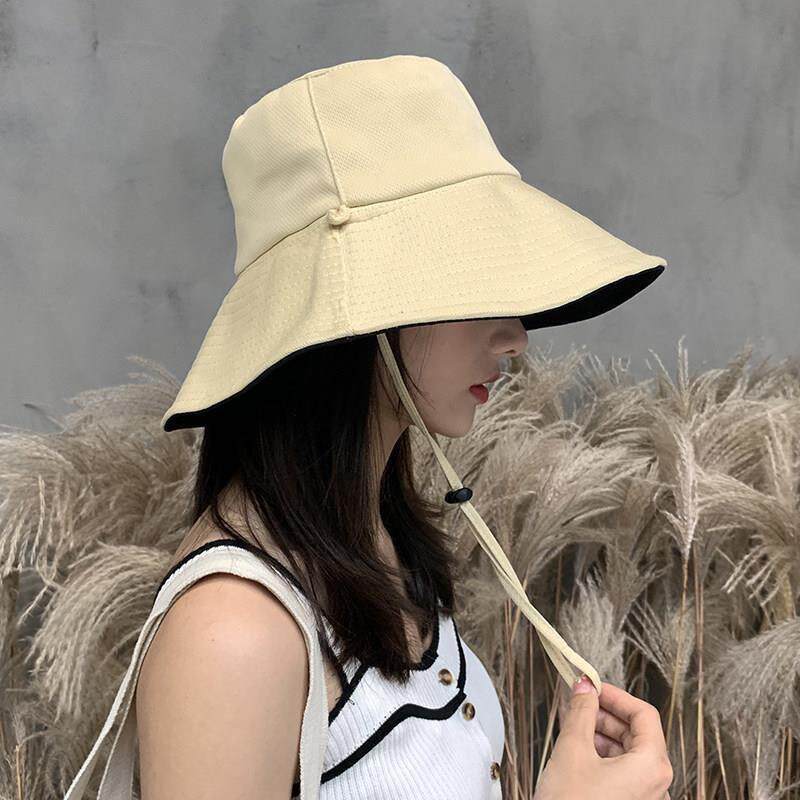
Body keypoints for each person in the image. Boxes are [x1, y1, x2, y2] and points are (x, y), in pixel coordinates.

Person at [62, 55, 673, 800]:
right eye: (474, 282)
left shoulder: (376, 539)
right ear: (359, 316)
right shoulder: (233, 633)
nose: (515, 336)